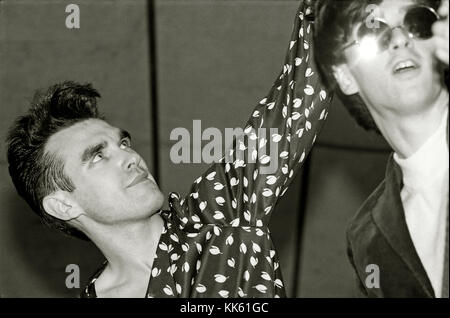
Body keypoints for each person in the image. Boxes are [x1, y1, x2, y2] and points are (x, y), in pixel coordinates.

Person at [6, 0, 331, 298]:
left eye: (123, 143)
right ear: (63, 205)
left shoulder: (216, 215)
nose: (130, 157)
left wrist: (327, 12)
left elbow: (291, 106)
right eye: (98, 155)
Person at [314, 0, 449, 297]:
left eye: (417, 21)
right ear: (345, 76)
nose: (400, 38)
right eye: (372, 27)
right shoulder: (367, 240)